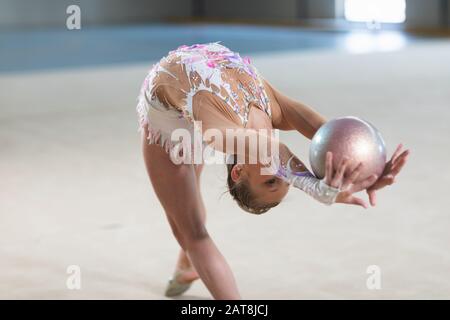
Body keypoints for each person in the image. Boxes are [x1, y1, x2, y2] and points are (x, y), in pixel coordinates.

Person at [136, 42, 409, 299]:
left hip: (168, 121)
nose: (283, 175)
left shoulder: (218, 135)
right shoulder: (274, 112)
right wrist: (369, 169)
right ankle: (188, 264)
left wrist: (317, 185)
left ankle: (196, 267)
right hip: (188, 87)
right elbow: (335, 135)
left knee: (189, 230)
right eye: (284, 181)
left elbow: (268, 150)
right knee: (188, 203)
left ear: (238, 170)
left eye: (270, 181)